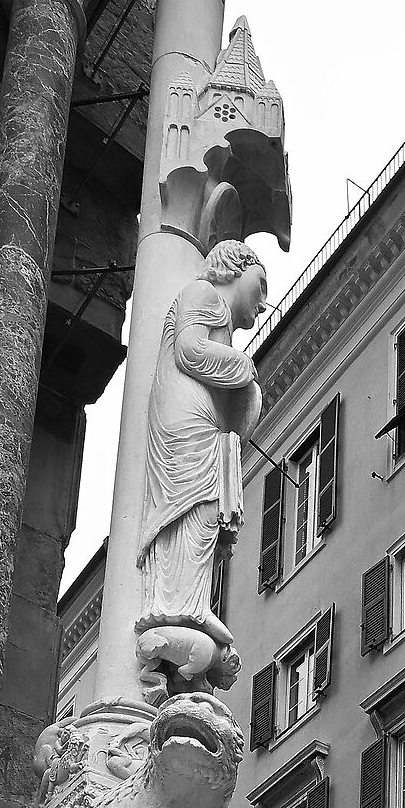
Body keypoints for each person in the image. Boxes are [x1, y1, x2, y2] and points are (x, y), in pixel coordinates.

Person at [136, 241, 267, 631]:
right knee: (199, 501)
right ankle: (178, 603)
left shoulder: (218, 313)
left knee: (206, 505)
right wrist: (244, 366)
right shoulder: (203, 292)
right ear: (236, 266)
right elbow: (189, 351)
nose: (263, 304)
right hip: (185, 420)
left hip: (199, 420)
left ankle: (190, 601)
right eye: (261, 284)